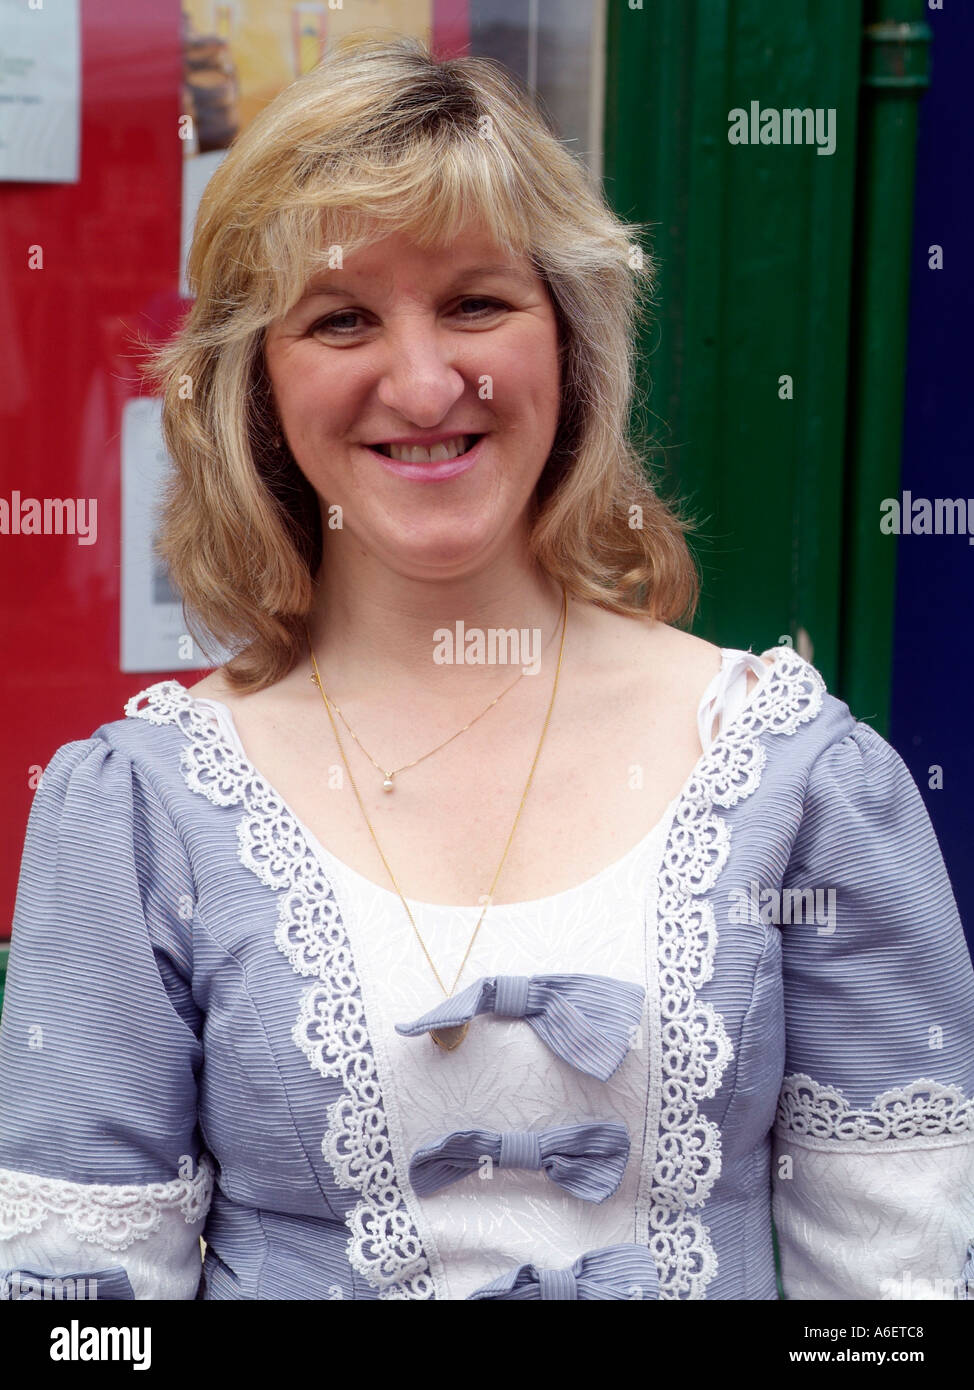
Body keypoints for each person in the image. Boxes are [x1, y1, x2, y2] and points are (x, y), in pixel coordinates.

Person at [1, 35, 972, 1303]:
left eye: (474, 302)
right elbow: (74, 1317)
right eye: (341, 317)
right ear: (254, 389)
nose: (421, 380)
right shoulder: (143, 811)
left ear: (568, 347)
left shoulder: (793, 777)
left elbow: (897, 1299)